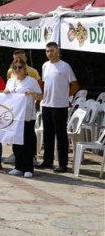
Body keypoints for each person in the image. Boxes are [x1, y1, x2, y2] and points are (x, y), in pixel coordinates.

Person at [38, 42, 79, 173]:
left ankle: (62, 164)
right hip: (46, 105)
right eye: (47, 51)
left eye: (52, 50)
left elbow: (75, 85)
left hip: (60, 106)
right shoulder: (45, 66)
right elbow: (44, 84)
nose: (49, 53)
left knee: (61, 136)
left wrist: (64, 96)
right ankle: (47, 161)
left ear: (57, 51)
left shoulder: (65, 66)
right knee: (47, 134)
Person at [5, 61, 43, 178]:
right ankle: (18, 167)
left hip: (27, 116)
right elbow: (6, 95)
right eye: (15, 67)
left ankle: (28, 168)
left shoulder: (31, 81)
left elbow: (41, 95)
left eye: (20, 67)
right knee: (16, 143)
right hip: (14, 116)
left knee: (27, 142)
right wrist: (5, 92)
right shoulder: (11, 81)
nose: (17, 69)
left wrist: (32, 93)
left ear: (24, 68)